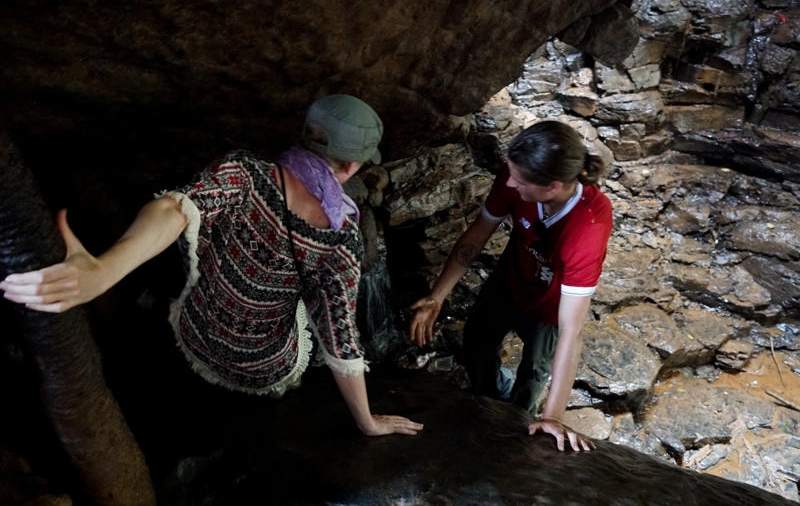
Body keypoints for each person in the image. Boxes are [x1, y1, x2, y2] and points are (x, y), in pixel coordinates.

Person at [1, 94, 423, 437]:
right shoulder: (341, 238)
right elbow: (340, 337)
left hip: (197, 334)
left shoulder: (243, 172)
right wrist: (367, 422)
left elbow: (174, 209)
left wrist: (106, 270)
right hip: (265, 367)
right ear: (352, 165)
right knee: (313, 311)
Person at [409, 120, 612, 451]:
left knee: (532, 377)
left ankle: (517, 425)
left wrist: (555, 417)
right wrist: (436, 297)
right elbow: (476, 236)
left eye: (520, 181)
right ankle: (486, 403)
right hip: (507, 282)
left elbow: (571, 330)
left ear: (552, 187)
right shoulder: (515, 175)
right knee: (476, 345)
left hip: (548, 309)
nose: (510, 182)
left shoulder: (590, 224)